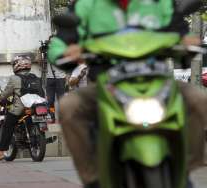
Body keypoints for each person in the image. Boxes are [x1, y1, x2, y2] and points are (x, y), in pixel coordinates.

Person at [48, 0, 204, 187]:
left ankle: (184, 167)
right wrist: (66, 52)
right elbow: (59, 44)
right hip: (106, 84)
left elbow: (180, 33)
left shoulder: (160, 3)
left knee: (199, 99)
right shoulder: (86, 5)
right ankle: (93, 178)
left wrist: (187, 42)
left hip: (158, 80)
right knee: (69, 107)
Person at [0, 55, 44, 162]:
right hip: (38, 104)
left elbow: (5, 94)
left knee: (8, 125)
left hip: (22, 107)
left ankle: (1, 152)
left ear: (17, 65)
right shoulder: (35, 77)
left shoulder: (14, 78)